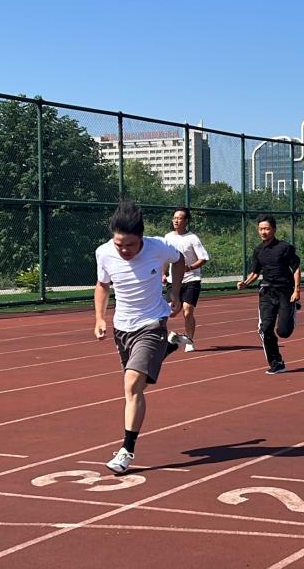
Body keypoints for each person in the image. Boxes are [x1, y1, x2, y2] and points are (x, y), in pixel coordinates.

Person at [94, 200, 187, 474]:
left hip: (152, 323)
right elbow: (102, 285)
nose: (124, 250)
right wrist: (99, 318)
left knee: (132, 385)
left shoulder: (158, 247)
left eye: (130, 245)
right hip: (122, 328)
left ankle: (126, 450)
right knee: (136, 387)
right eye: (119, 245)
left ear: (142, 238)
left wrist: (175, 292)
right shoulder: (104, 253)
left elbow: (179, 261)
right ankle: (167, 347)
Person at [236, 215, 302, 375]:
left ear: (274, 229)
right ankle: (276, 362)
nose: (263, 232)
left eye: (266, 229)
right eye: (260, 229)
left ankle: (292, 309)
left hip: (285, 292)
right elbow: (255, 272)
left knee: (284, 332)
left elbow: (296, 269)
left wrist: (297, 290)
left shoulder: (285, 247)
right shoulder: (258, 250)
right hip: (266, 292)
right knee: (265, 328)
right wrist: (245, 283)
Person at [164, 207, 210, 352]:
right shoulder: (167, 237)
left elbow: (204, 258)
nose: (176, 221)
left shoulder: (192, 238)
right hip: (173, 281)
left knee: (187, 310)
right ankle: (174, 338)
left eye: (179, 218)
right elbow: (164, 258)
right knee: (171, 312)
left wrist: (189, 268)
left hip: (192, 279)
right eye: (174, 218)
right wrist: (163, 273)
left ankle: (189, 340)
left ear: (186, 221)